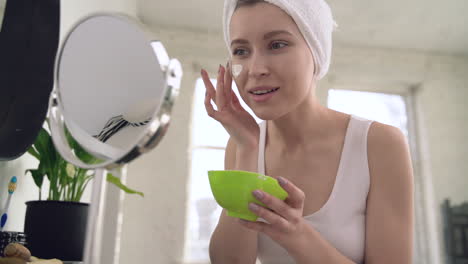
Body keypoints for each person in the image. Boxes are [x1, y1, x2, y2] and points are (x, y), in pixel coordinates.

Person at [200, 0, 414, 263]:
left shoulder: (379, 144)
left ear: (317, 52)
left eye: (277, 45)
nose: (255, 70)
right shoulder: (241, 145)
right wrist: (247, 150)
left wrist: (297, 235)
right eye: (241, 51)